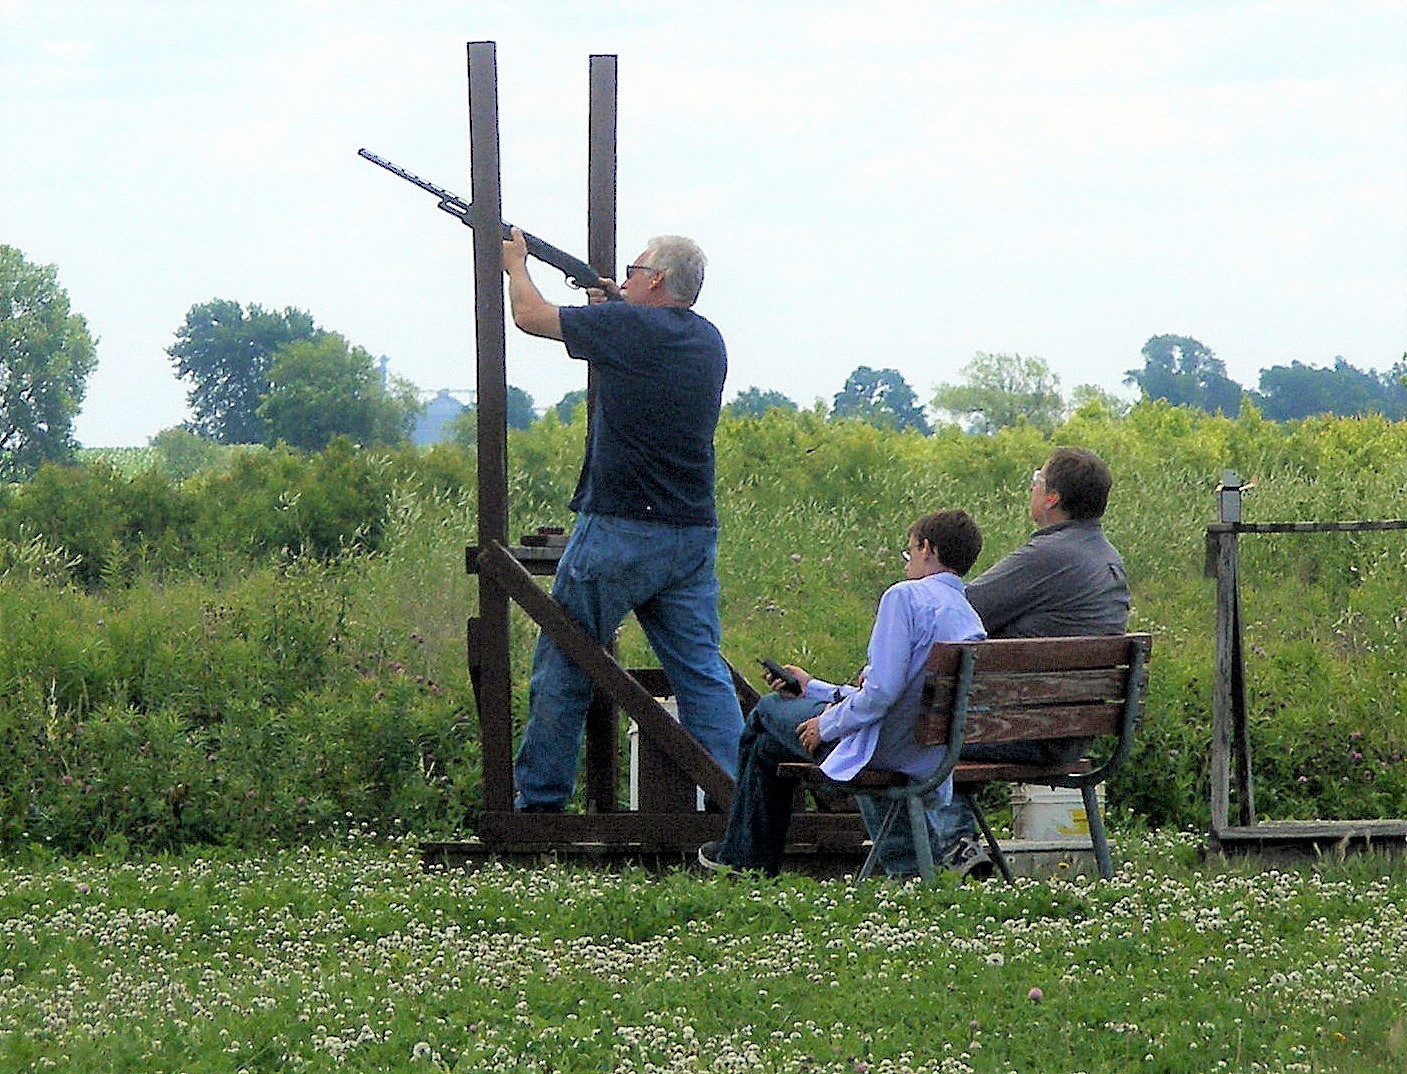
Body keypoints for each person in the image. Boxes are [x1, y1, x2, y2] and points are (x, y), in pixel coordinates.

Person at [501, 228, 745, 811]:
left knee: (566, 657)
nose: (627, 276)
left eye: (635, 270)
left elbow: (530, 316)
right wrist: (614, 306)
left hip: (620, 527)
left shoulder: (632, 329)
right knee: (700, 672)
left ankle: (539, 803)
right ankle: (739, 802)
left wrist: (515, 264)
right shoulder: (706, 340)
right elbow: (636, 343)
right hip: (689, 533)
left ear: (656, 279)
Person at [698, 510, 986, 878]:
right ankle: (744, 860)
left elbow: (882, 694)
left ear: (927, 549)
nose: (908, 562)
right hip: (927, 753)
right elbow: (897, 692)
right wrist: (813, 687)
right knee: (766, 745)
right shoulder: (967, 616)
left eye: (909, 551)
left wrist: (826, 725)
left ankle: (746, 863)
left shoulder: (904, 597)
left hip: (885, 747)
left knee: (769, 710)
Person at [935, 445, 1131, 876]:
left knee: (906, 732)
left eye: (1036, 479)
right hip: (1074, 729)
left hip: (1030, 731)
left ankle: (950, 850)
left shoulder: (1048, 556)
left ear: (1052, 498)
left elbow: (952, 612)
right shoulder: (1107, 559)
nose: (1032, 487)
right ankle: (944, 848)